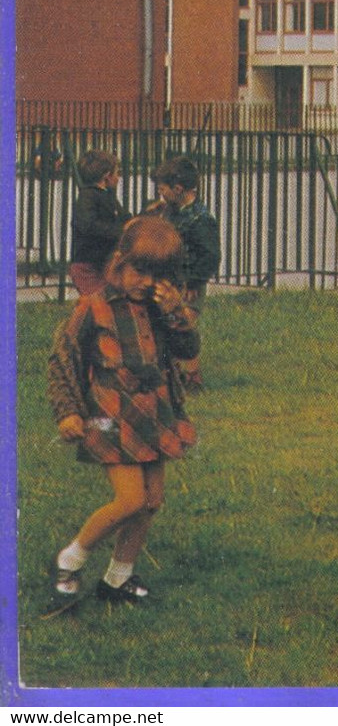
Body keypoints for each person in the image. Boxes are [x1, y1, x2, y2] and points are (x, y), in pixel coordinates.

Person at [48, 217, 200, 604]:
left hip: (155, 416)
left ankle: (118, 578)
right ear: (119, 262)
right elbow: (63, 357)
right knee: (129, 500)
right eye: (139, 270)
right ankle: (70, 558)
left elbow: (188, 351)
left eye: (157, 275)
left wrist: (175, 312)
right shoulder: (93, 307)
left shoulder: (159, 308)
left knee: (149, 504)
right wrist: (68, 411)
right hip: (111, 418)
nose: (146, 282)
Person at [142, 155, 220, 389]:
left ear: (178, 189)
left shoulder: (201, 219)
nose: (160, 195)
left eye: (162, 190)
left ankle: (192, 376)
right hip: (170, 279)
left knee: (182, 324)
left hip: (188, 284)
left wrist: (195, 283)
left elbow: (210, 255)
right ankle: (173, 373)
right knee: (168, 323)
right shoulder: (172, 211)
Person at [68, 150, 130, 297]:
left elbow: (126, 219)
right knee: (98, 304)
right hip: (87, 266)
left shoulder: (108, 196)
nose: (119, 177)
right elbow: (88, 225)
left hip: (106, 265)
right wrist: (118, 232)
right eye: (117, 173)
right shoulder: (87, 196)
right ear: (106, 176)